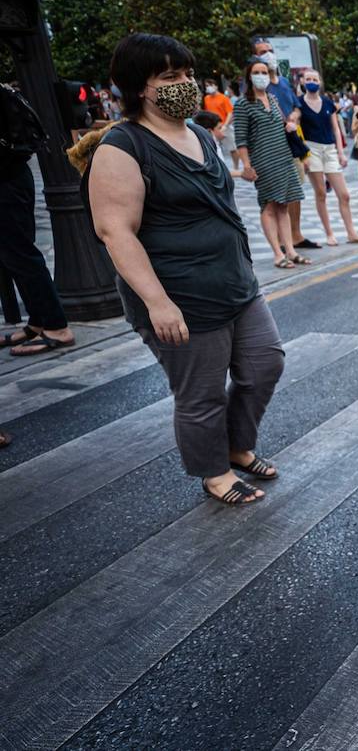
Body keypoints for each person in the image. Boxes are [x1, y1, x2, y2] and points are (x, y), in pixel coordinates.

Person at [78, 32, 283, 506]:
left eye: (187, 73)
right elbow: (116, 232)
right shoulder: (122, 147)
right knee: (201, 393)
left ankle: (236, 444)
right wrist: (158, 303)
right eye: (169, 76)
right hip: (179, 296)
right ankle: (214, 472)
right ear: (138, 86)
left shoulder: (195, 132)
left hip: (234, 283)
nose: (184, 84)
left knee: (264, 364)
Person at [0, 84, 76, 357]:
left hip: (7, 181)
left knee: (21, 256)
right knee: (15, 257)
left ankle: (57, 327)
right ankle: (38, 320)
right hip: (12, 177)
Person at [234, 57, 309, 268]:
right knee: (268, 205)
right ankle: (277, 254)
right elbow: (241, 139)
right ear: (249, 77)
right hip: (263, 161)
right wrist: (247, 166)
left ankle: (291, 251)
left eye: (264, 72)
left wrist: (289, 126)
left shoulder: (273, 99)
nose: (261, 76)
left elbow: (282, 122)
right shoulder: (243, 105)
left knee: (284, 204)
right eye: (256, 72)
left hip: (283, 157)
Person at [251, 37, 316, 252]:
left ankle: (295, 235)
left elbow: (297, 106)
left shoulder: (285, 82)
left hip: (291, 142)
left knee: (294, 191)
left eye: (270, 50)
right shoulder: (255, 85)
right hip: (270, 147)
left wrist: (293, 117)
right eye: (262, 52)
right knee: (274, 197)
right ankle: (280, 244)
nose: (268, 54)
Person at [298, 68, 358, 247]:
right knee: (321, 193)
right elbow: (297, 129)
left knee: (344, 195)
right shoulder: (298, 104)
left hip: (329, 149)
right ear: (303, 82)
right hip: (311, 148)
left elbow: (336, 128)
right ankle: (329, 233)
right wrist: (302, 154)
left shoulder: (328, 103)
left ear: (320, 82)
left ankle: (351, 232)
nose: (311, 81)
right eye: (308, 79)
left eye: (314, 78)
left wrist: (340, 151)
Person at [202, 79, 239, 172]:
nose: (208, 87)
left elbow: (230, 113)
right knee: (214, 148)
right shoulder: (206, 98)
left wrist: (225, 126)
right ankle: (220, 168)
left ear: (216, 86)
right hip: (212, 128)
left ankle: (236, 167)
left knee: (232, 148)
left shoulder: (223, 98)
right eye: (206, 86)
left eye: (210, 85)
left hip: (223, 126)